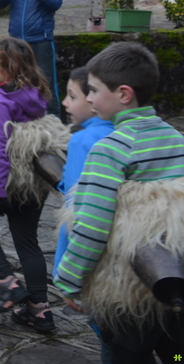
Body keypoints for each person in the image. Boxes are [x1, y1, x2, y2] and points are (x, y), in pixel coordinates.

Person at [55, 42, 184, 362]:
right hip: (175, 286)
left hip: (128, 292)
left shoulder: (110, 149)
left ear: (124, 94)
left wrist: (70, 280)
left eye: (93, 90)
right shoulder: (176, 138)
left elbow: (93, 224)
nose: (89, 98)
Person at [0, 36, 66, 333]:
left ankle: (7, 283)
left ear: (10, 69)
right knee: (27, 241)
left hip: (3, 182)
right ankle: (40, 311)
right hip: (32, 181)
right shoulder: (35, 93)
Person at [54, 66, 113, 361]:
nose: (65, 103)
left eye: (72, 96)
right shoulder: (133, 133)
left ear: (93, 99)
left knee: (113, 340)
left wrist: (64, 273)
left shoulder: (83, 141)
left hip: (100, 262)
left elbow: (76, 211)